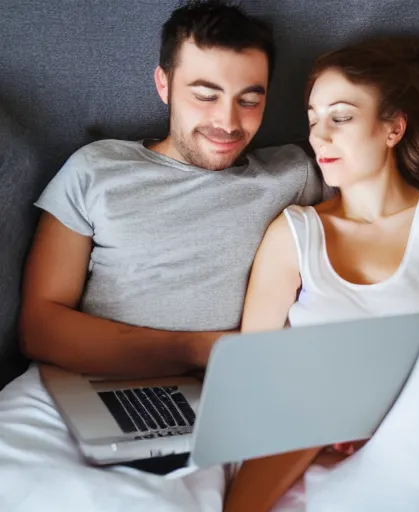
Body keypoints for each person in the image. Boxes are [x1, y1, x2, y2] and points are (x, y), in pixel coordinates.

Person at [0, 2, 326, 510]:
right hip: (64, 388)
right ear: (164, 84)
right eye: (205, 95)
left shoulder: (295, 176)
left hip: (204, 406)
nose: (227, 122)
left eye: (249, 99)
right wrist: (202, 348)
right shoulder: (97, 169)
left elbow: (393, 196)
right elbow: (39, 328)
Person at [240, 36, 419, 509]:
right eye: (313, 120)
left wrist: (382, 412)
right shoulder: (294, 234)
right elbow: (250, 387)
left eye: (341, 117)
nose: (319, 136)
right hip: (322, 456)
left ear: (393, 129)